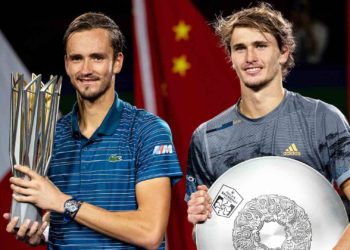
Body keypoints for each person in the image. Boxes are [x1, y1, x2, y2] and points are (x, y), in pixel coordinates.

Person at [4, 12, 183, 249]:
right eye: (77, 58)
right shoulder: (51, 136)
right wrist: (41, 231)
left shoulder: (148, 130)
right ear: (67, 64)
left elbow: (149, 232)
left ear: (117, 62)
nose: (86, 69)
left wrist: (63, 203)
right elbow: (58, 219)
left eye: (97, 58)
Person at [185, 2, 350, 249]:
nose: (250, 58)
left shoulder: (322, 117)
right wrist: (199, 220)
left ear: (283, 52)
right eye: (240, 48)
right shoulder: (207, 137)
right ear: (230, 56)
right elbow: (203, 235)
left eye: (260, 46)